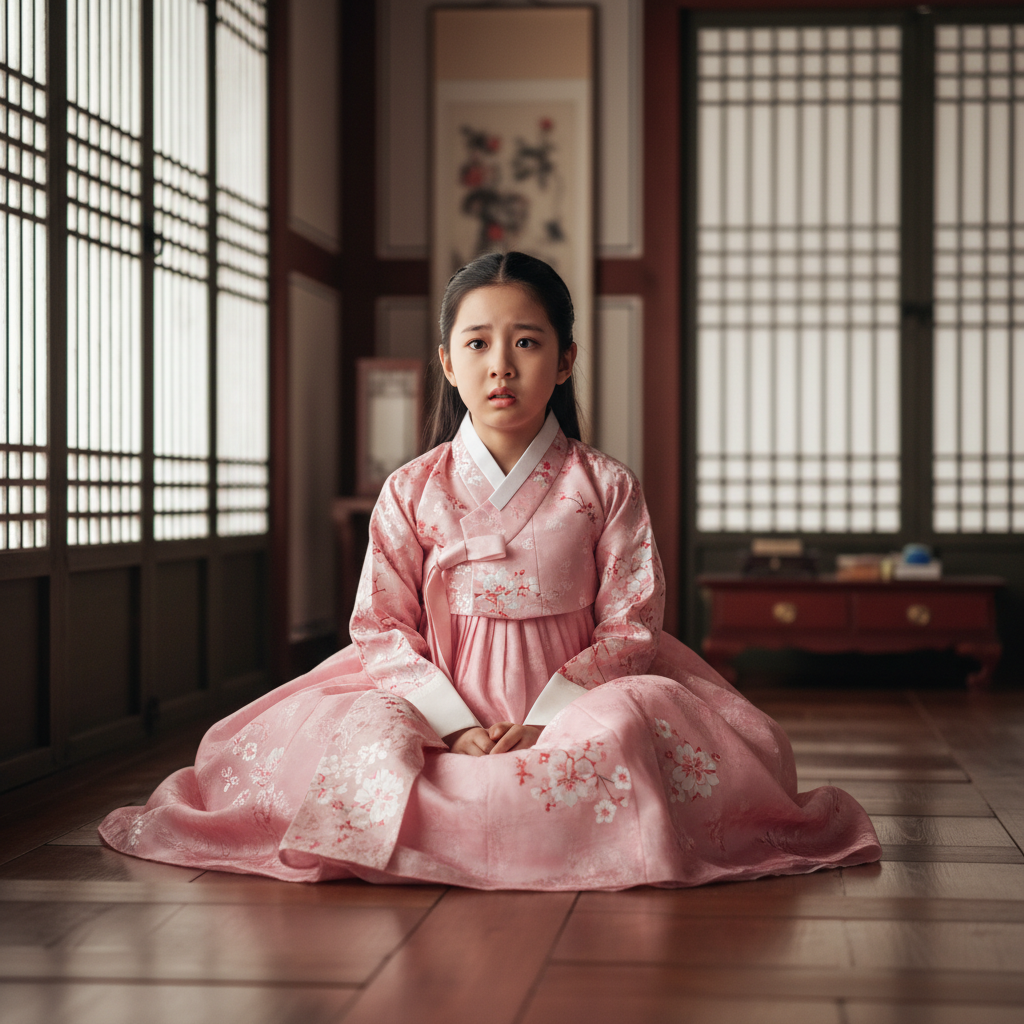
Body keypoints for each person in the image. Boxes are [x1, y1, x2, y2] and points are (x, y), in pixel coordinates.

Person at [100, 252, 880, 888]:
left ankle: (512, 808)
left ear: (566, 359)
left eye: (527, 343)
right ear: (447, 361)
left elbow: (633, 622)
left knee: (622, 734)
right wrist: (453, 722)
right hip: (439, 694)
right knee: (365, 737)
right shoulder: (411, 490)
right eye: (476, 344)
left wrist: (551, 717)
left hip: (577, 699)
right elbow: (381, 625)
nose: (500, 365)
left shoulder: (607, 486)